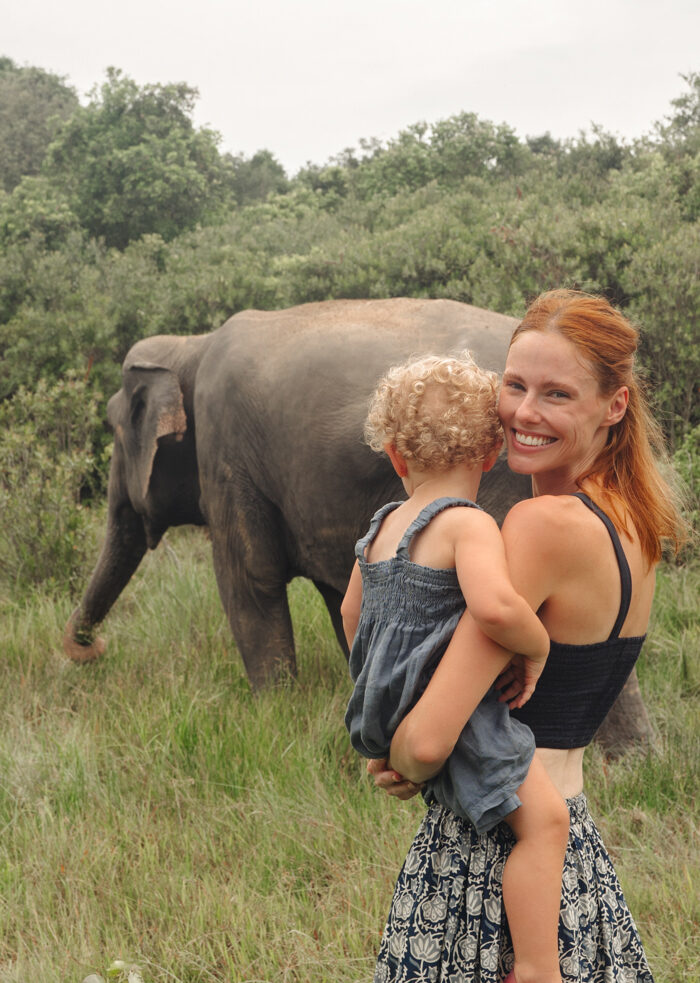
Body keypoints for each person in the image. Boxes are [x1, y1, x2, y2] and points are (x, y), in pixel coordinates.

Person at [363, 289, 685, 983]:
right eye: (515, 385)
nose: (524, 413)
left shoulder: (539, 527)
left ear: (615, 405)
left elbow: (426, 742)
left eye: (556, 394)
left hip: (487, 854)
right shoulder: (634, 520)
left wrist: (395, 756)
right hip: (573, 854)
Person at [342, 352, 569, 983]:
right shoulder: (468, 525)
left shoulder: (381, 528)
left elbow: (351, 613)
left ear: (395, 456)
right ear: (491, 454)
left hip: (385, 709)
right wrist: (536, 646)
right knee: (547, 823)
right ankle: (537, 966)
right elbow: (495, 608)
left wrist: (384, 692)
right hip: (454, 718)